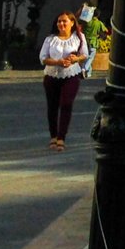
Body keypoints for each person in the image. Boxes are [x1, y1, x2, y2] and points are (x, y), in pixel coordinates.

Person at [39, 11, 88, 151]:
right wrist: (57, 62)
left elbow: (84, 54)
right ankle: (53, 136)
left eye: (64, 21)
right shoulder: (50, 39)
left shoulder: (79, 38)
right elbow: (43, 58)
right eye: (59, 21)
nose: (61, 24)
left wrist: (75, 59)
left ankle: (61, 137)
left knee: (66, 104)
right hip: (51, 75)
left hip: (71, 75)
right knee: (52, 106)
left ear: (72, 23)